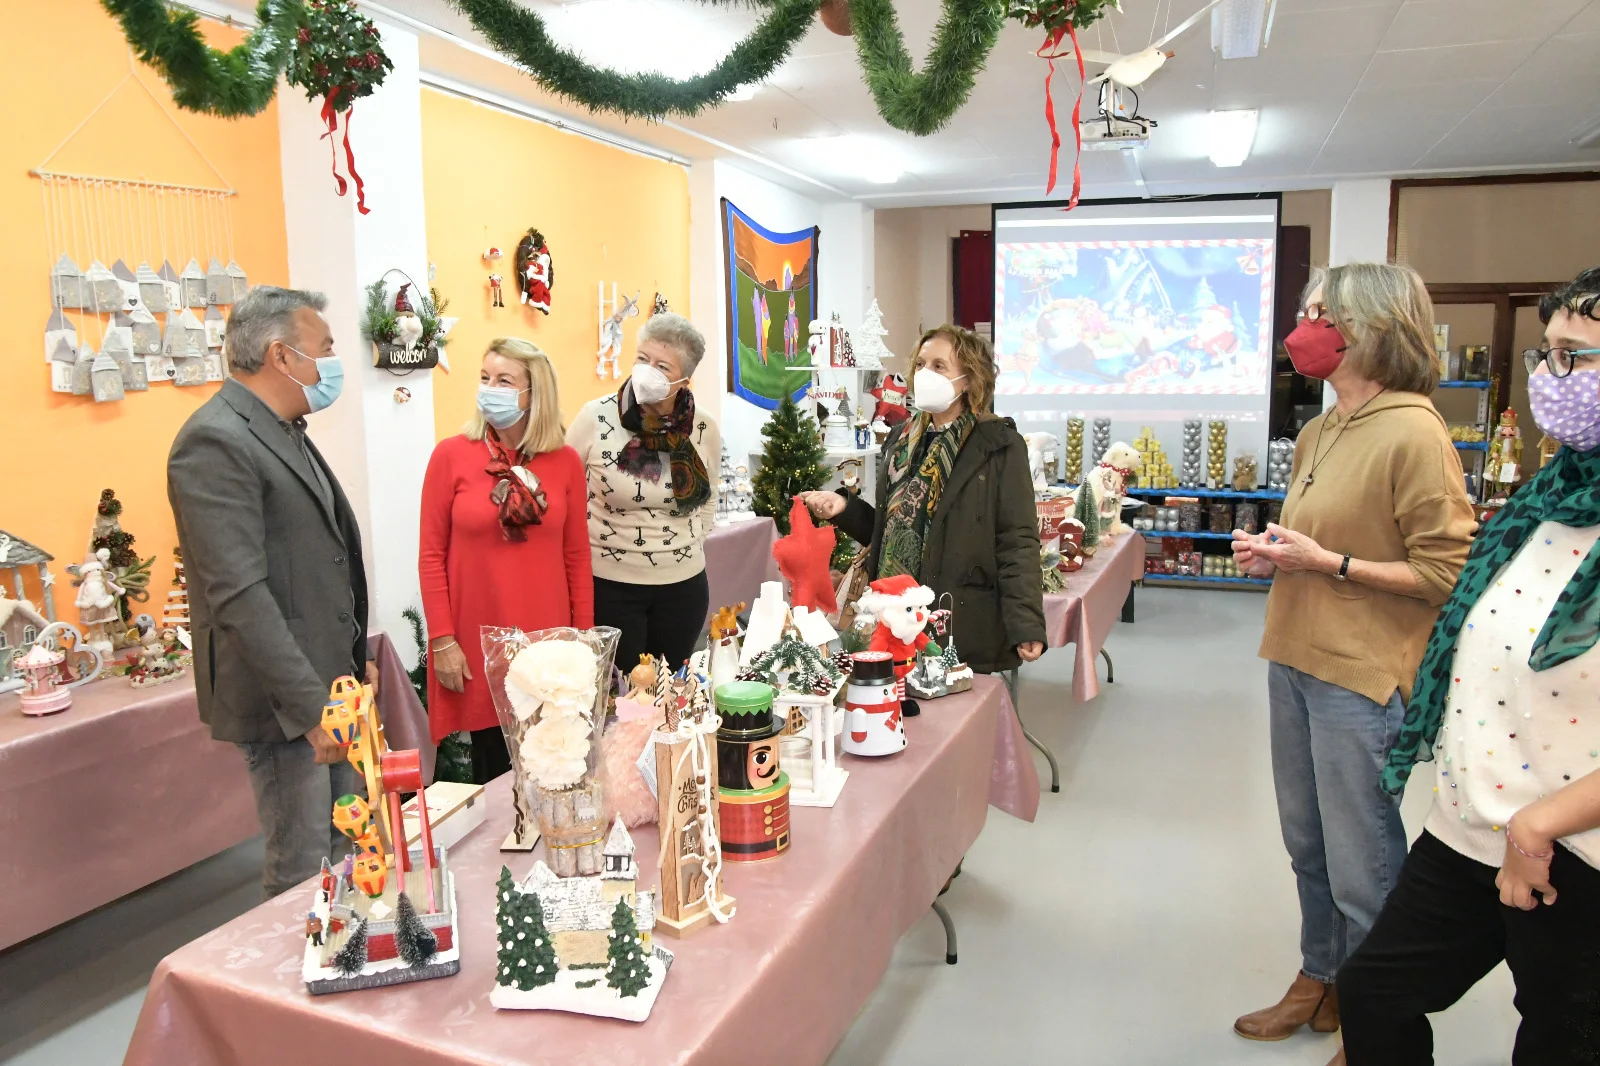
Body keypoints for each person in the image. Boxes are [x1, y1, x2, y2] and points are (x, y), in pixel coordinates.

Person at [1338, 268, 1600, 1065]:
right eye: (1547, 356)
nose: (1554, 379)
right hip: (1476, 824)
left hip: (1572, 846)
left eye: (1577, 358)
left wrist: (1540, 827)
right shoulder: (1550, 498)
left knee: (1559, 1035)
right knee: (1375, 991)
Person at [1229, 263, 1476, 1062]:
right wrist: (1275, 557)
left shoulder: (1414, 430)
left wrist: (1330, 565)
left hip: (1362, 678)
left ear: (1374, 327)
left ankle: (1378, 1017)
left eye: (1324, 314)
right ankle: (1322, 978)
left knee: (1362, 860)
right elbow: (1323, 541)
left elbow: (1446, 572)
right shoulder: (1321, 428)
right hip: (1293, 657)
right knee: (1308, 845)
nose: (1306, 329)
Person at [168, 286, 375, 900]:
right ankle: (293, 985)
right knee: (303, 870)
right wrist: (312, 708)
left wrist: (352, 663)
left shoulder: (283, 428)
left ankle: (353, 962)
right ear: (283, 357)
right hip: (286, 703)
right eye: (325, 348)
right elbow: (238, 594)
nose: (333, 361)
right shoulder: (213, 440)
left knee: (352, 842)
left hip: (330, 686)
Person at [799, 325, 1046, 678]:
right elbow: (890, 532)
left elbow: (1017, 541)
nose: (925, 374)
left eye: (939, 366)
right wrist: (845, 508)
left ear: (968, 379)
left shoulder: (998, 445)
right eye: (921, 364)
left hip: (956, 615)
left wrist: (1026, 622)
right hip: (893, 614)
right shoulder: (902, 439)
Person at [419, 338, 593, 785]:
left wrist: (585, 643)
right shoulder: (451, 456)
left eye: (504, 380)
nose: (488, 388)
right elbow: (431, 555)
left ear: (534, 393)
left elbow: (576, 558)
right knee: (495, 770)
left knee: (554, 767)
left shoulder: (565, 462)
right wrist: (441, 640)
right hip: (477, 642)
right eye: (484, 378)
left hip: (548, 643)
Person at [567, 312, 720, 670]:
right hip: (609, 586)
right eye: (642, 359)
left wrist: (695, 537)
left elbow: (708, 493)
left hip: (683, 587)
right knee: (621, 697)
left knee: (670, 693)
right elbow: (565, 489)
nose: (646, 371)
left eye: (662, 366)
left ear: (684, 380)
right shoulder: (595, 417)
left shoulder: (704, 427)